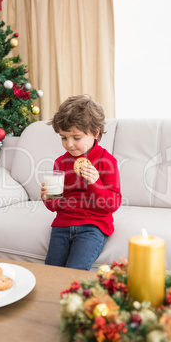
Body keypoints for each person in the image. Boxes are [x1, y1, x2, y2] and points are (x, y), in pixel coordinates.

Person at [41, 94, 122, 270]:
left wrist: (95, 184)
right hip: (62, 224)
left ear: (95, 133)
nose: (69, 144)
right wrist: (48, 197)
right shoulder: (60, 162)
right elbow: (54, 205)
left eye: (76, 138)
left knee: (74, 271)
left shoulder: (106, 162)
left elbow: (112, 204)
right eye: (64, 137)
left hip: (93, 226)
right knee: (50, 271)